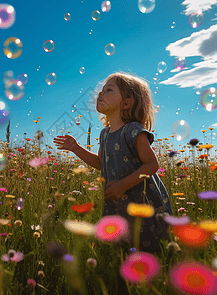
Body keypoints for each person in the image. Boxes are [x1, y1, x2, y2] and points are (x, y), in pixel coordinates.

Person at [54, 71, 173, 253]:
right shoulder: (105, 134)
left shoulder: (133, 130)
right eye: (101, 90)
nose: (101, 94)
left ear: (126, 103)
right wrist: (76, 148)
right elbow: (101, 163)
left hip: (140, 201)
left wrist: (123, 185)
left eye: (108, 90)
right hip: (117, 202)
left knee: (147, 245)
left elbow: (152, 165)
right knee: (122, 248)